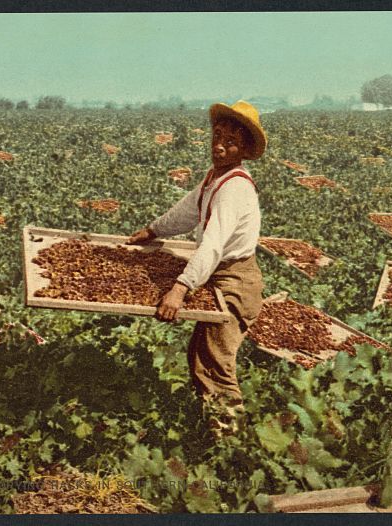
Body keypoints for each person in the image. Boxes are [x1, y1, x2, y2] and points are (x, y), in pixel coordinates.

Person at [127, 100, 266, 437]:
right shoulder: (215, 177)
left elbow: (214, 244)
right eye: (217, 136)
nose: (219, 146)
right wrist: (155, 229)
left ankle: (231, 442)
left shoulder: (235, 187)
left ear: (245, 149)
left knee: (216, 361)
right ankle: (216, 428)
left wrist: (179, 288)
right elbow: (188, 210)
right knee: (202, 353)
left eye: (231, 142)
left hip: (235, 280)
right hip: (219, 273)